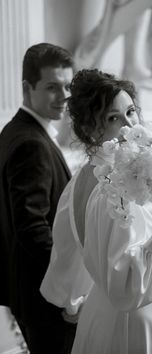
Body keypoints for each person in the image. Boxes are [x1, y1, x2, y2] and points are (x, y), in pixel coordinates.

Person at [41, 68, 152, 354]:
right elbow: (128, 287)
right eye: (113, 118)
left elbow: (67, 257)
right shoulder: (113, 189)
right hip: (131, 327)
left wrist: (74, 301)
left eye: (131, 112)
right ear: (91, 130)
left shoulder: (81, 179)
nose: (130, 126)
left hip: (101, 314)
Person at [0, 43, 76, 354]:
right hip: (44, 296)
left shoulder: (15, 130)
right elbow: (32, 228)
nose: (64, 96)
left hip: (28, 290)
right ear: (27, 88)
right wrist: (69, 285)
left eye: (68, 86)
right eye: (52, 87)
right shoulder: (30, 143)